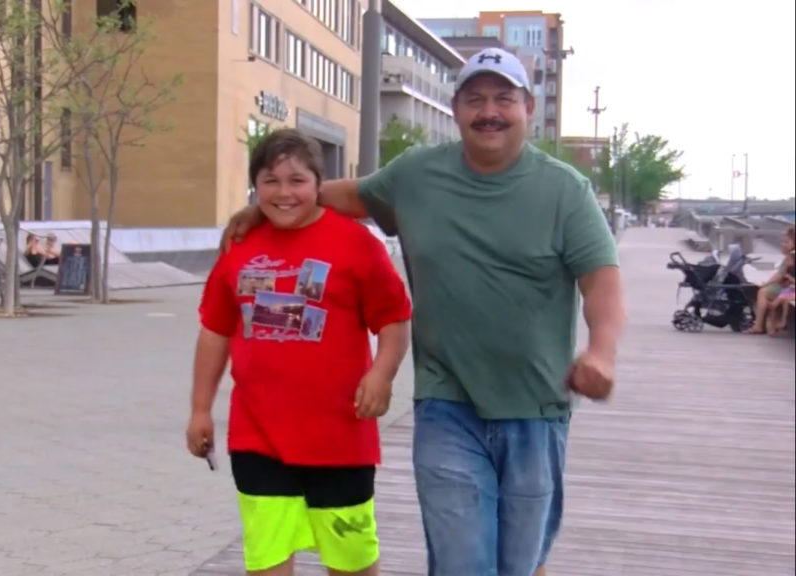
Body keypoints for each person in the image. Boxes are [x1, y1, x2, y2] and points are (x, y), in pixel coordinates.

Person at [220, 48, 625, 576]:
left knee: (520, 563)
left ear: (528, 106)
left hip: (536, 407)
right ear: (455, 109)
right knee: (462, 561)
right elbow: (346, 195)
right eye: (475, 99)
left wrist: (601, 352)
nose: (489, 111)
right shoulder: (416, 174)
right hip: (446, 403)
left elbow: (601, 279)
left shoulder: (563, 190)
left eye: (504, 98)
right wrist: (269, 205)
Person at [187, 129, 412, 576]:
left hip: (341, 439)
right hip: (258, 438)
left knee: (351, 562)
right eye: (271, 181)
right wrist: (199, 410)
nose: (284, 193)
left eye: (297, 181)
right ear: (255, 188)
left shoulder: (356, 244)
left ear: (318, 185)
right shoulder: (240, 245)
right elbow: (215, 330)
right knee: (268, 560)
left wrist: (382, 375)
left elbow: (394, 319)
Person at [746, 225, 796, 334]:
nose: (783, 245)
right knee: (765, 292)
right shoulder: (788, 257)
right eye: (783, 242)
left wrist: (767, 284)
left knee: (766, 295)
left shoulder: (791, 257)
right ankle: (761, 325)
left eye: (786, 242)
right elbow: (780, 275)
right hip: (787, 288)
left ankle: (766, 325)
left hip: (789, 289)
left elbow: (780, 276)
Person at [766, 250, 795, 335]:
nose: (786, 262)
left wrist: (790, 279)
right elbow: (782, 283)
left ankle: (784, 322)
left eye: (788, 260)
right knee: (773, 305)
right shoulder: (788, 270)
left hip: (793, 291)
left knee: (787, 301)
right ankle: (773, 327)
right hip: (789, 290)